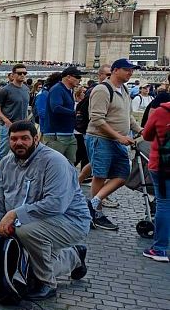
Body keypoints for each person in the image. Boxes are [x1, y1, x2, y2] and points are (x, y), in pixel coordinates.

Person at [0, 121, 90, 300]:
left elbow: (56, 204)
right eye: (14, 139)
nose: (18, 143)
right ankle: (74, 257)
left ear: (36, 138)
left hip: (70, 221)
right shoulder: (5, 163)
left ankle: (47, 283)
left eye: (24, 138)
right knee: (29, 267)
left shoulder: (54, 161)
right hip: (34, 221)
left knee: (26, 231)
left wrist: (14, 214)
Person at [85, 58, 143, 231]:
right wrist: (118, 136)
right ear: (116, 70)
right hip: (101, 138)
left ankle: (93, 203)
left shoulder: (124, 89)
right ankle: (96, 213)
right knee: (100, 175)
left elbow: (127, 115)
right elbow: (96, 119)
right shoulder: (103, 89)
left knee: (122, 175)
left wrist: (139, 129)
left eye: (132, 70)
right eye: (127, 70)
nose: (130, 73)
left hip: (117, 140)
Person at [140, 91, 169, 262]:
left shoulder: (161, 111)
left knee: (164, 204)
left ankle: (160, 248)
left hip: (162, 163)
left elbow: (147, 135)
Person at [43, 66, 84, 163]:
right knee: (54, 165)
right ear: (68, 77)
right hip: (57, 134)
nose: (79, 80)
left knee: (70, 164)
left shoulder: (68, 90)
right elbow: (56, 107)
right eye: (77, 77)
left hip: (67, 133)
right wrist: (75, 113)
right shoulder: (57, 89)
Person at [0, 64, 31, 155]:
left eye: (24, 73)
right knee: (3, 152)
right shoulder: (5, 90)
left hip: (22, 126)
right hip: (8, 126)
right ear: (13, 75)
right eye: (19, 73)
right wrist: (6, 121)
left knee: (21, 151)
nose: (22, 75)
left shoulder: (26, 89)